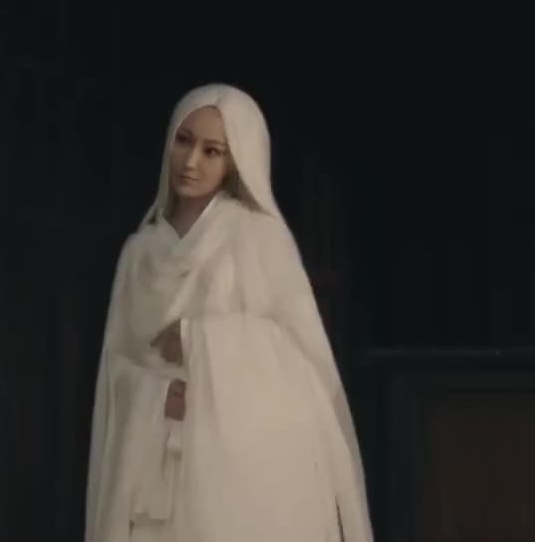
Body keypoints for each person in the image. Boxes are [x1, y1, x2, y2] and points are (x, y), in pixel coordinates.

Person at [85, 83, 373, 542]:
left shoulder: (257, 238)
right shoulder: (139, 253)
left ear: (236, 159)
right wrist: (157, 394)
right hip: (152, 470)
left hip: (236, 472)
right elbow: (116, 369)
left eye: (212, 150)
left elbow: (301, 362)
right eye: (183, 141)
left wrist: (199, 342)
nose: (191, 161)